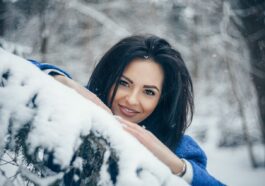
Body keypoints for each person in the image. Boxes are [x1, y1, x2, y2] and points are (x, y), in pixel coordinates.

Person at [31, 35, 225, 185]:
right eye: (123, 83)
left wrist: (174, 164)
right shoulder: (80, 107)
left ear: (162, 99)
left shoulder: (180, 147)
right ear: (109, 78)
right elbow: (11, 68)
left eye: (148, 92)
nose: (131, 100)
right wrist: (60, 81)